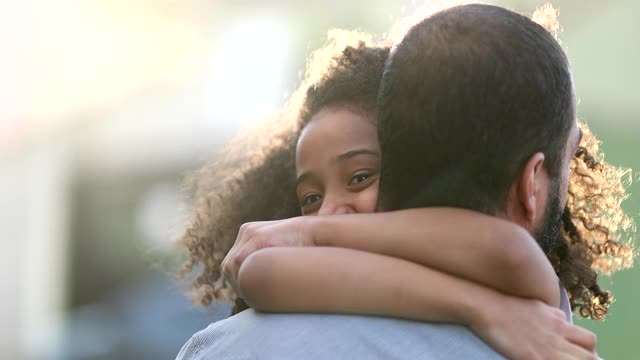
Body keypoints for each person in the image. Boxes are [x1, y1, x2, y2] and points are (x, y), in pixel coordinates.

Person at [177, 4, 634, 360]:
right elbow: (261, 272)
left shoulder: (518, 275)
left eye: (360, 177)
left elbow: (261, 269)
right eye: (310, 199)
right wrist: (483, 309)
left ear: (402, 163)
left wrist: (299, 231)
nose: (334, 210)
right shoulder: (526, 303)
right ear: (532, 183)